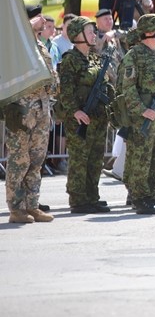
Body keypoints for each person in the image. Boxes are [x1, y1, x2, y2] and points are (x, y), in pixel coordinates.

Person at [2, 6, 57, 223]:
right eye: (38, 17)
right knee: (19, 160)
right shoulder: (17, 44)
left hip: (42, 109)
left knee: (36, 160)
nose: (43, 20)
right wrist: (26, 29)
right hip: (23, 110)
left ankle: (32, 205)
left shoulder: (41, 45)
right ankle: (16, 209)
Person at [119, 13, 155, 215]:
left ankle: (152, 193)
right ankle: (139, 197)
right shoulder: (134, 55)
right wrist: (142, 110)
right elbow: (128, 88)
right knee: (141, 158)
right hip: (144, 117)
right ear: (151, 32)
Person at [57, 16, 115, 213]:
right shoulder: (70, 60)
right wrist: (75, 111)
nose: (93, 35)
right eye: (89, 31)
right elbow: (65, 90)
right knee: (80, 159)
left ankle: (92, 196)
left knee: (95, 159)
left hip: (98, 118)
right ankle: (78, 199)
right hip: (80, 118)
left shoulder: (94, 58)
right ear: (78, 35)